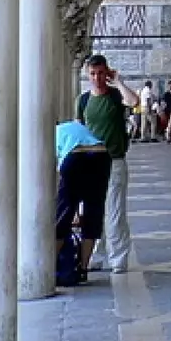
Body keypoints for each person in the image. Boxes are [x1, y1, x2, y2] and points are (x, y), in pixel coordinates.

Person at [76, 55, 140, 274]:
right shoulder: (83, 100)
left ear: (108, 72)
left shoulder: (114, 95)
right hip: (90, 163)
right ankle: (95, 254)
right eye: (93, 74)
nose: (97, 78)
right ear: (87, 74)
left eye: (101, 73)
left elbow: (133, 102)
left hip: (114, 160)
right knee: (92, 211)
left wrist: (119, 82)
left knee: (114, 211)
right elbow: (79, 130)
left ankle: (118, 257)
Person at [53, 118, 111, 284]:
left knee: (63, 215)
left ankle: (50, 267)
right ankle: (83, 269)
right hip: (101, 155)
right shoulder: (75, 127)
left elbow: (60, 174)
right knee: (94, 210)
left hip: (75, 156)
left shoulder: (50, 134)